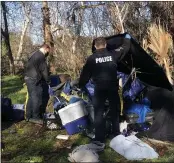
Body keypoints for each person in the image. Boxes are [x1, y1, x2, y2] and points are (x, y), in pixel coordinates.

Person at [79, 34, 131, 142]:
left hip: (99, 88)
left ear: (95, 46)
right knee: (114, 111)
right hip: (112, 87)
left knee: (98, 112)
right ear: (106, 44)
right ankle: (116, 134)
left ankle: (99, 137)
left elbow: (85, 75)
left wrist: (81, 84)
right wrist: (127, 39)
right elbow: (124, 49)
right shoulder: (113, 54)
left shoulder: (91, 58)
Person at [25, 44, 51, 124]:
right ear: (46, 49)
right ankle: (35, 117)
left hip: (28, 78)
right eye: (48, 51)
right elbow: (44, 70)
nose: (48, 53)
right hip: (34, 80)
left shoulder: (34, 54)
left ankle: (28, 116)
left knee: (31, 97)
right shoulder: (41, 56)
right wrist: (48, 80)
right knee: (37, 98)